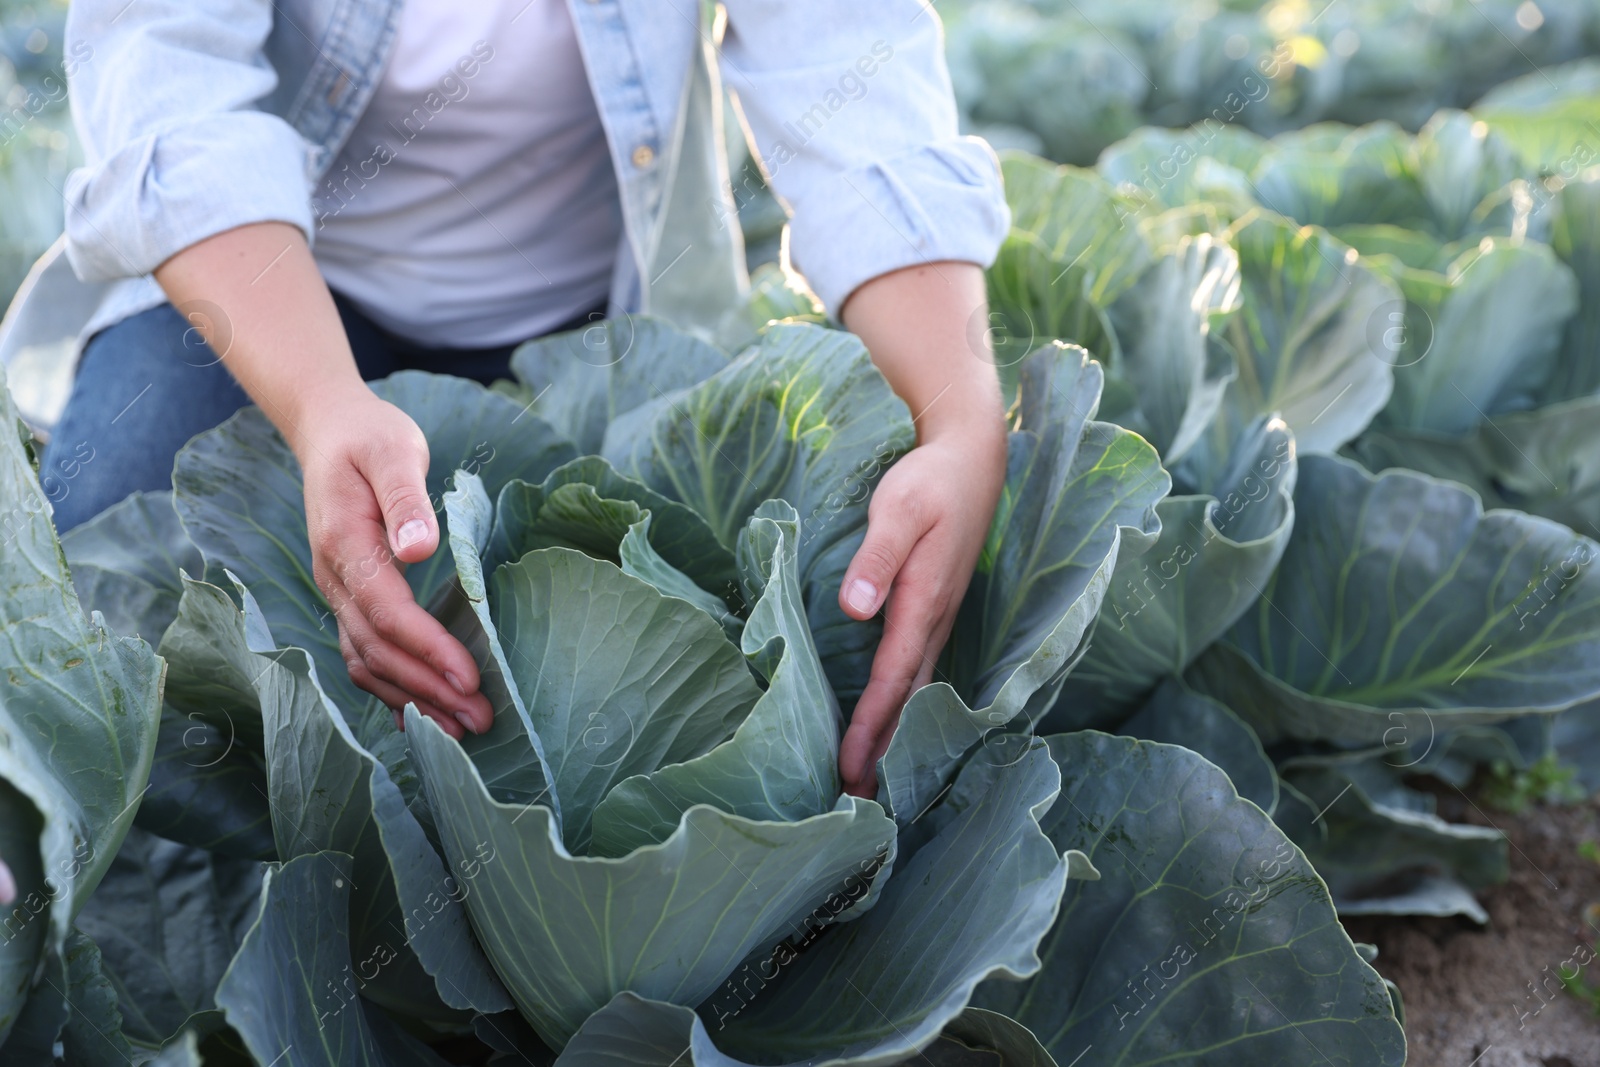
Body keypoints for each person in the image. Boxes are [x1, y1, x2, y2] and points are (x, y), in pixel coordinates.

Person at [8, 0, 1009, 817]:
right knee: (100, 558)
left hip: (596, 319)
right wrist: (320, 409)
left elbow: (847, 62)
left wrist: (960, 417)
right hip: (270, 299)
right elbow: (172, 89)